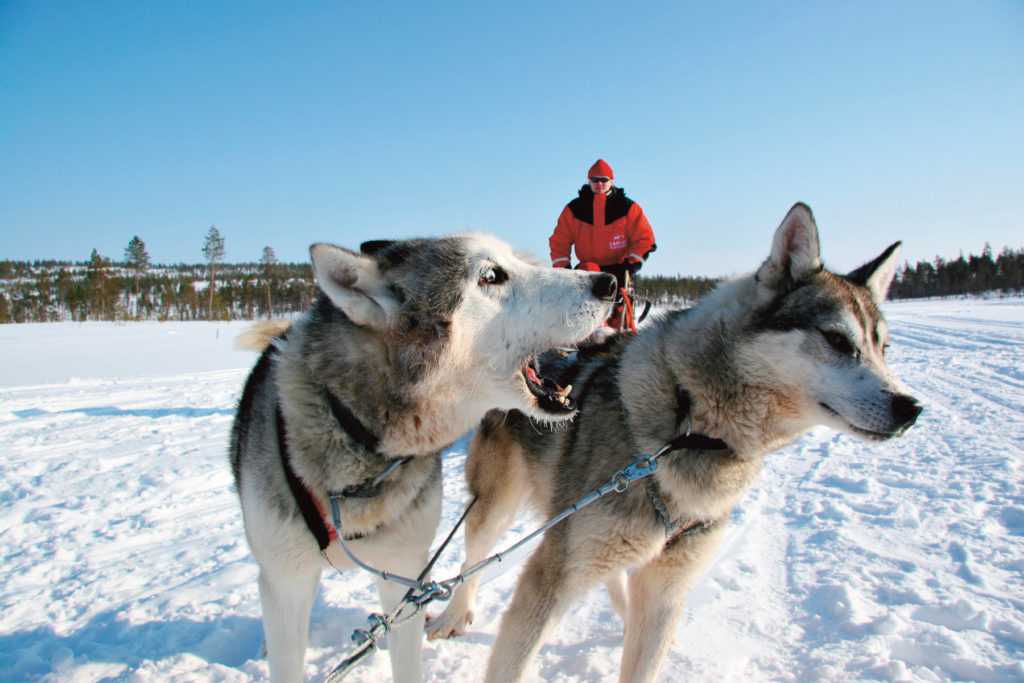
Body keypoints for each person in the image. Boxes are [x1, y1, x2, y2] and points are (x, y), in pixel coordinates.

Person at [549, 159, 656, 330]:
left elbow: (645, 239)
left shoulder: (628, 207)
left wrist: (631, 264)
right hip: (588, 269)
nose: (599, 184)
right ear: (589, 181)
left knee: (620, 306)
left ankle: (619, 337)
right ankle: (586, 337)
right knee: (586, 304)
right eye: (595, 180)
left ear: (611, 181)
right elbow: (559, 241)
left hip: (620, 268)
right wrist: (564, 268)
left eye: (604, 180)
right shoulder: (575, 209)